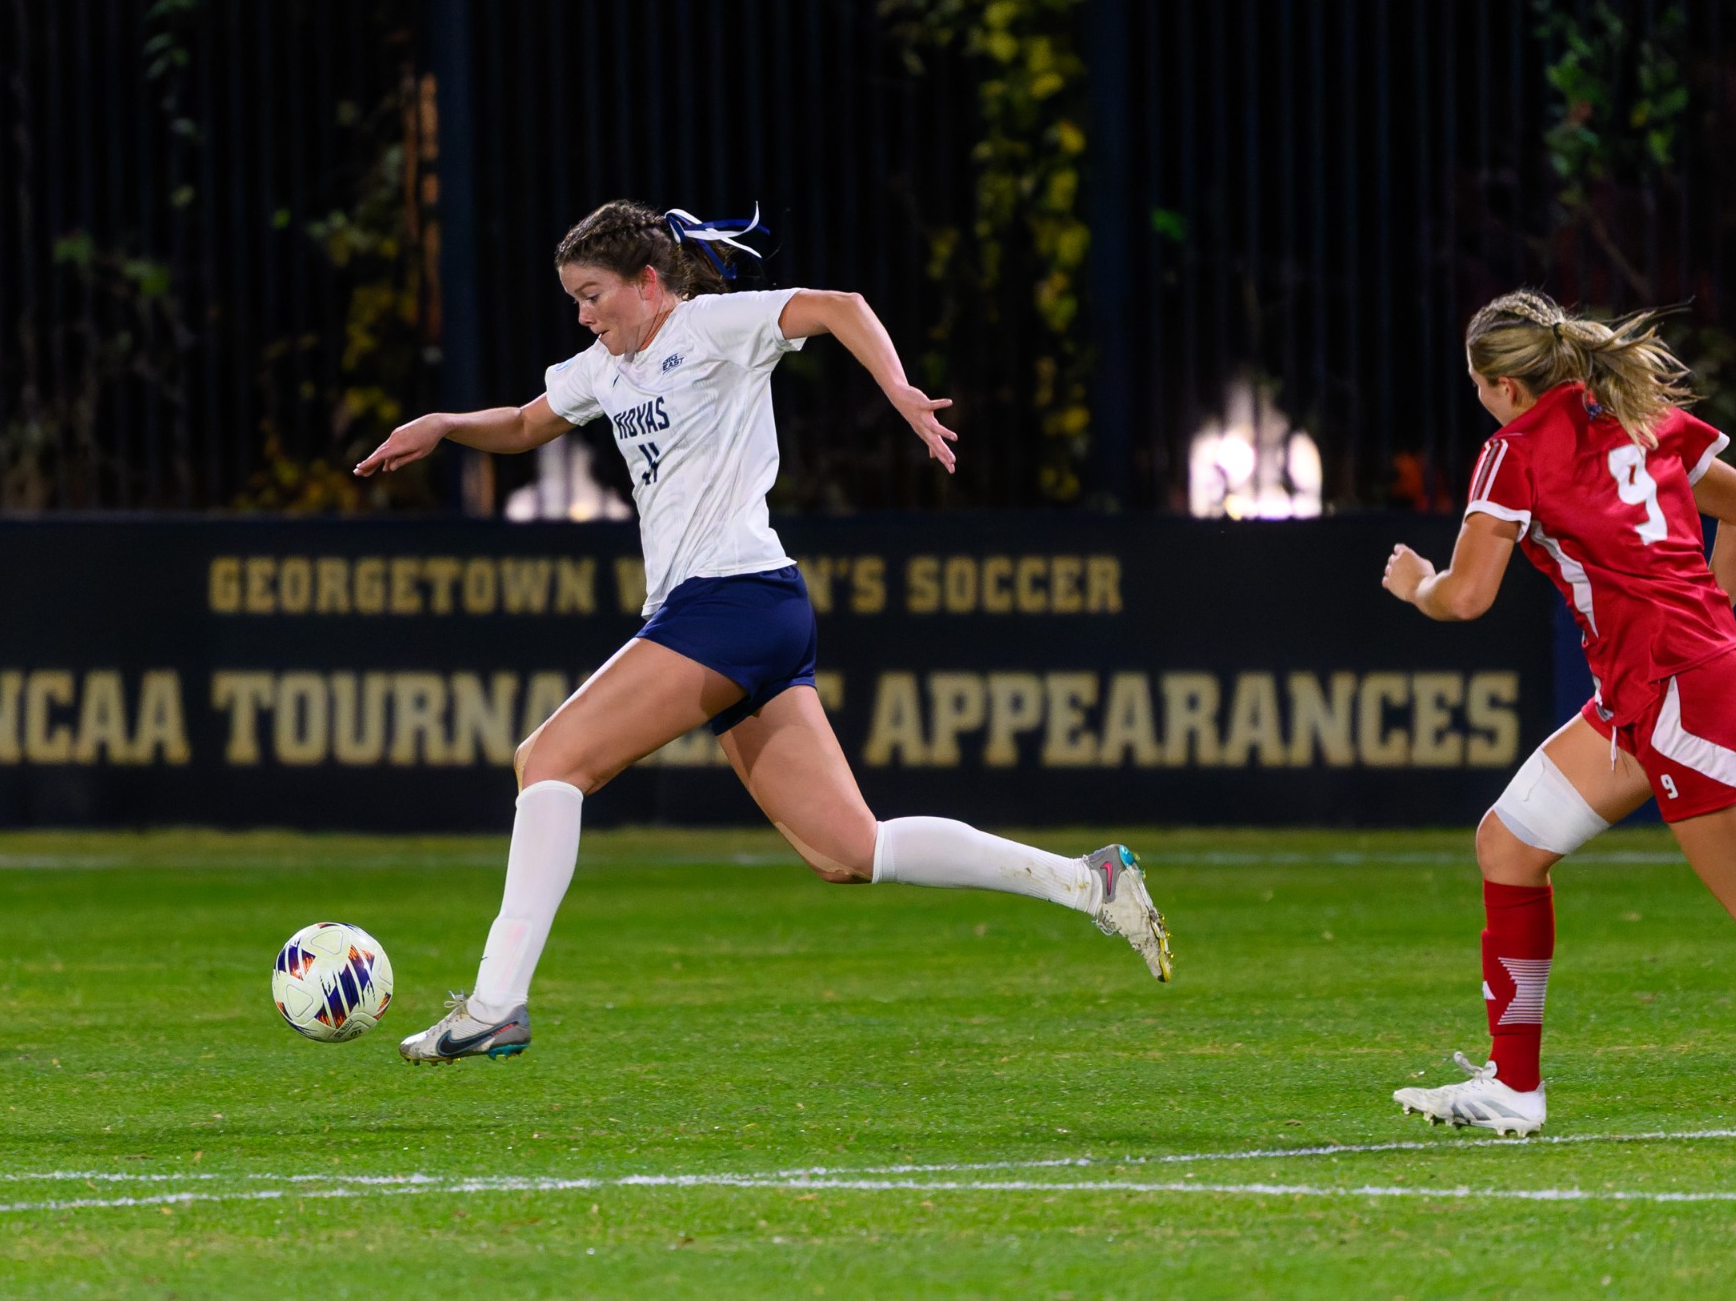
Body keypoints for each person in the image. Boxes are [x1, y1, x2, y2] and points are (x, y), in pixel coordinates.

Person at [355, 200, 1172, 1064]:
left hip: (733, 600)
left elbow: (839, 306)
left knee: (548, 760)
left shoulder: (713, 326)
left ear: (649, 282)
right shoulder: (605, 367)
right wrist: (445, 426)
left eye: (594, 295)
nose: (584, 316)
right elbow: (525, 424)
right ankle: (1094, 884)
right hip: (745, 612)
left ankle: (495, 1005)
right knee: (850, 851)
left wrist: (895, 386)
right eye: (574, 301)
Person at [1380, 288, 1736, 1135]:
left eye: (1479, 383)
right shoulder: (1640, 412)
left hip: (1674, 692)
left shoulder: (1514, 448)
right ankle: (1513, 1089)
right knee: (1510, 843)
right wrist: (1711, 636)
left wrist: (1416, 584)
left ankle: (1514, 1087)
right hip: (1654, 689)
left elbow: (1467, 597)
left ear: (1504, 386)